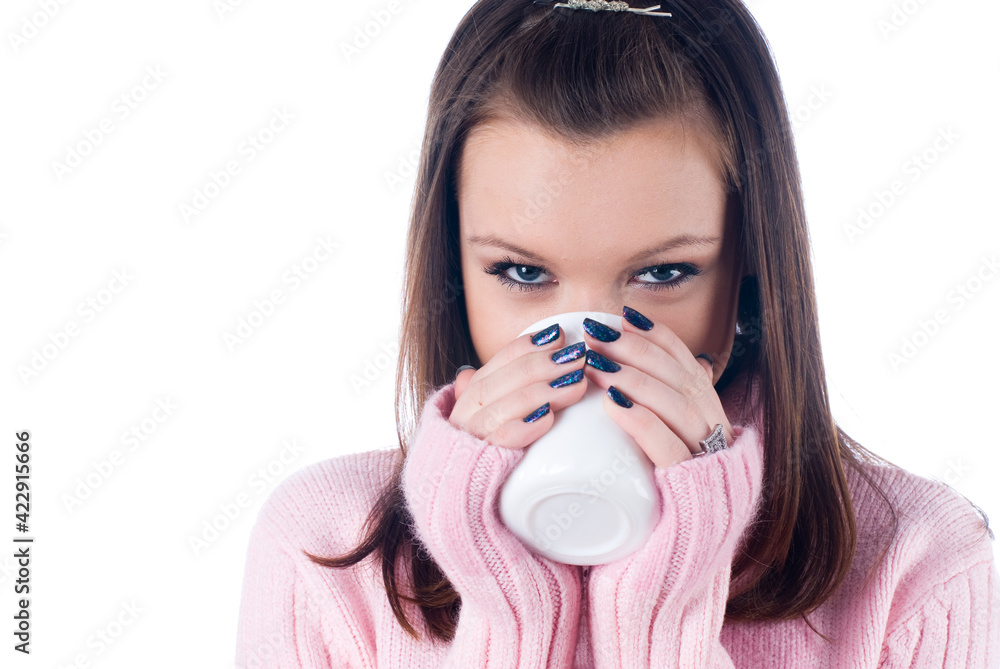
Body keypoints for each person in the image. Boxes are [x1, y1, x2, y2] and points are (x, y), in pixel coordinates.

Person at [235, 0, 1000, 666]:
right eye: (523, 274)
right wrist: (509, 607)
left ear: (750, 265)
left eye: (663, 274)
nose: (589, 351)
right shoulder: (322, 554)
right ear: (451, 269)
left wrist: (669, 606)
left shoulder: (920, 566)